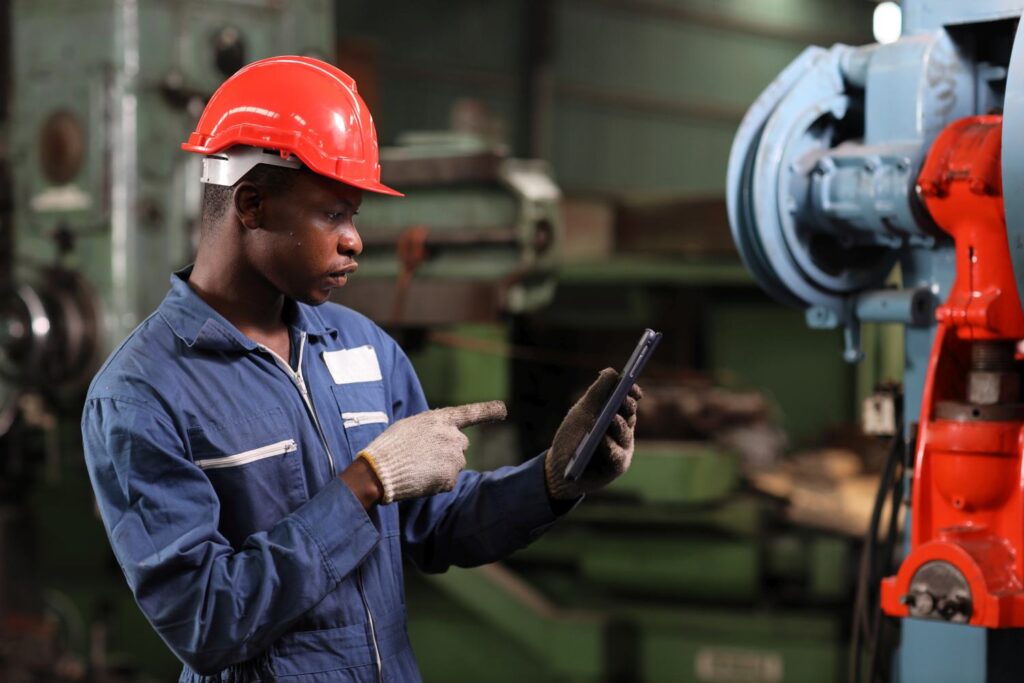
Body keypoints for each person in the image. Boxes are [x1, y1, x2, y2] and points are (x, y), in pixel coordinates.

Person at [81, 56, 642, 683]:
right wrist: (364, 484)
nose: (355, 240)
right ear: (252, 205)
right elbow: (206, 621)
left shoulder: (364, 347)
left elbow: (434, 525)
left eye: (356, 216)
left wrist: (552, 480)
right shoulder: (141, 394)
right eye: (333, 214)